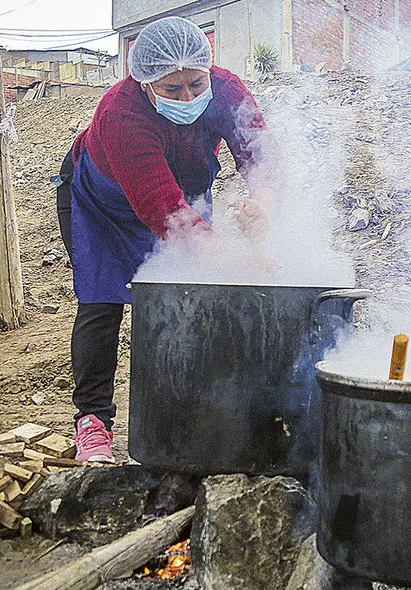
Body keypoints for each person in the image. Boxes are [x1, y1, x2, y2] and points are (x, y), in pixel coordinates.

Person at [55, 16, 272, 462]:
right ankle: (93, 423)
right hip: (103, 207)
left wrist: (263, 203)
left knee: (190, 297)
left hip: (183, 199)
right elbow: (162, 210)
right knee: (101, 303)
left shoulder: (225, 89)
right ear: (145, 83)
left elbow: (262, 157)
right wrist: (235, 260)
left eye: (195, 84)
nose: (188, 97)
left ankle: (188, 408)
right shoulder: (121, 114)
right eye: (172, 90)